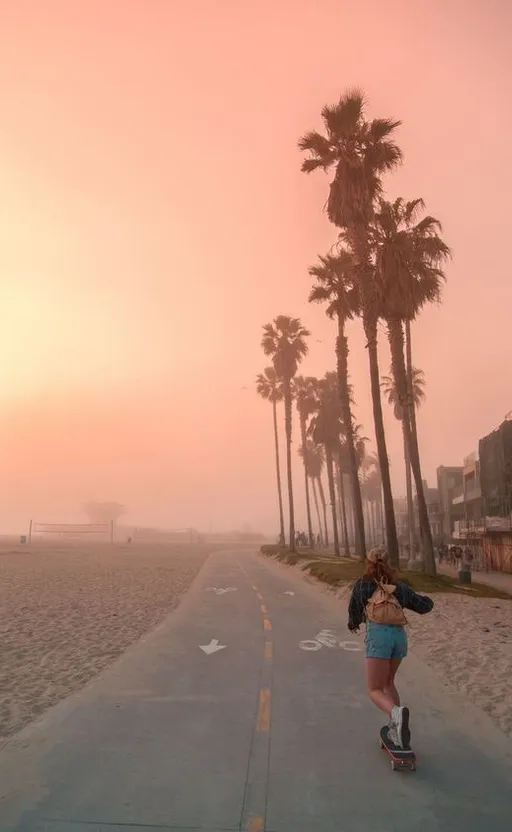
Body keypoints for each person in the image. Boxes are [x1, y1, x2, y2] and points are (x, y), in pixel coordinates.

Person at [347, 546, 434, 748]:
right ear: (389, 563)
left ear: (368, 563)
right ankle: (396, 728)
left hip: (378, 636)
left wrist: (354, 624)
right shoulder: (399, 587)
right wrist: (429, 599)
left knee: (374, 689)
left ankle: (396, 714)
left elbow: (354, 612)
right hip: (398, 637)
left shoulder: (362, 584)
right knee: (388, 682)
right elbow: (424, 606)